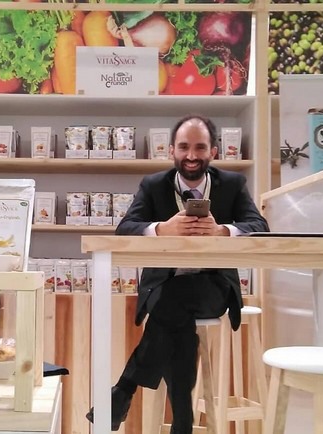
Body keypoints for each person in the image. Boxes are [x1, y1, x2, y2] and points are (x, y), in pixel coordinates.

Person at [85, 114, 269, 433]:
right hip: (164, 287)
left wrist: (223, 231)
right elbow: (125, 228)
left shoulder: (232, 184)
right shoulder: (153, 185)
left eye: (200, 147)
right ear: (171, 150)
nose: (192, 155)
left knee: (171, 303)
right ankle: (182, 421)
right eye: (184, 147)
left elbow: (260, 226)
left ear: (213, 151)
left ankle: (124, 390)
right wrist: (160, 229)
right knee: (175, 316)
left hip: (214, 287)